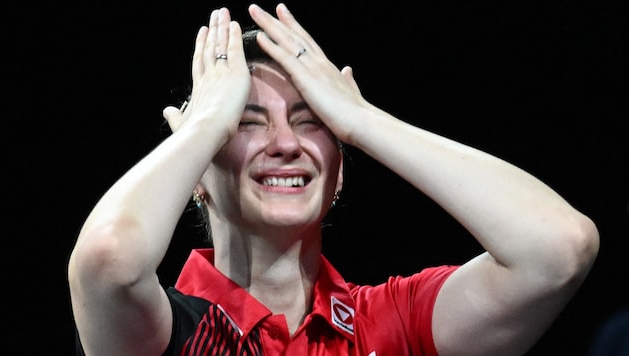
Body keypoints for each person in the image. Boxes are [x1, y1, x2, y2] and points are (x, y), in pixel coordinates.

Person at [68, 3, 600, 355]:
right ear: (197, 173)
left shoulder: (391, 323)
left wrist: (362, 120)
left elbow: (558, 249)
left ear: (339, 172)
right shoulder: (162, 332)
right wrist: (205, 125)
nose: (285, 143)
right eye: (246, 122)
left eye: (311, 121)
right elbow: (107, 260)